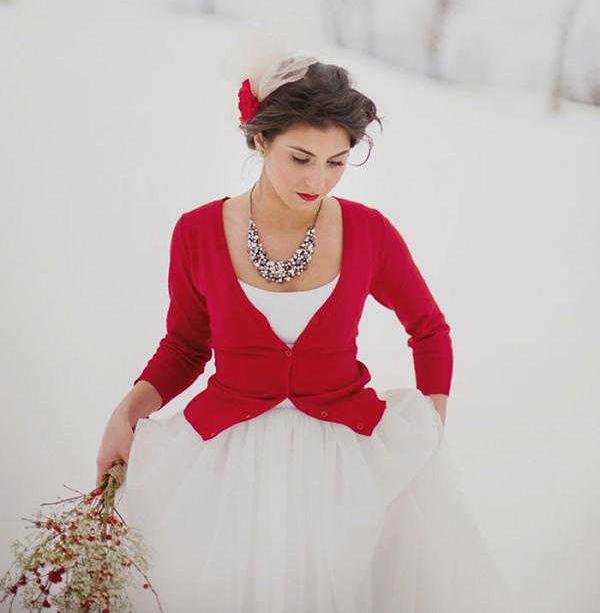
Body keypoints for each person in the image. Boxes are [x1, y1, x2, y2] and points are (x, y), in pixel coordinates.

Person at [97, 56, 513, 612]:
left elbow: (429, 329)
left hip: (346, 465)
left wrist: (430, 428)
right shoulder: (196, 232)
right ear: (260, 141)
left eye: (337, 162)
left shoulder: (369, 233)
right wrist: (126, 413)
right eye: (301, 158)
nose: (318, 180)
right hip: (223, 468)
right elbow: (186, 347)